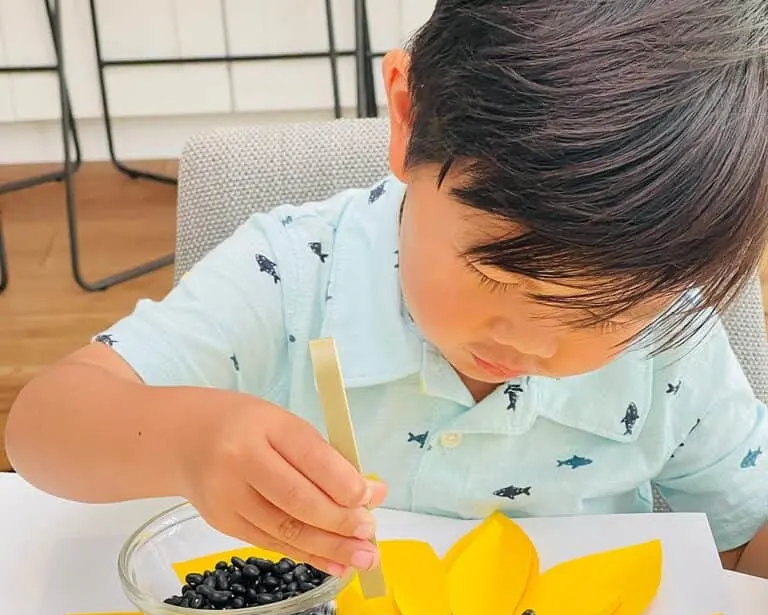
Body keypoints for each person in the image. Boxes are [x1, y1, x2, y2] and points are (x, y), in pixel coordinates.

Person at [7, 0, 768, 577]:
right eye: (495, 272)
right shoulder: (292, 273)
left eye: (609, 311)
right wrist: (184, 442)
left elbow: (747, 532)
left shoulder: (675, 343)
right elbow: (41, 429)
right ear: (406, 115)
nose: (532, 342)